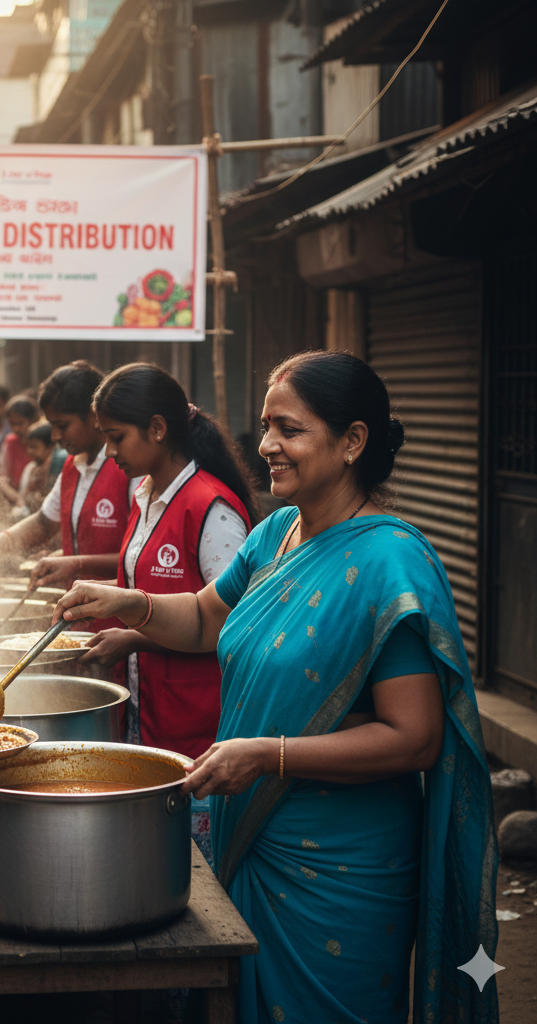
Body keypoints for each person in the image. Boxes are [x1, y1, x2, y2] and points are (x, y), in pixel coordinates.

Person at [53, 351, 498, 1024]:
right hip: (254, 839)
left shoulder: (389, 563)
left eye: (288, 429)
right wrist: (128, 602)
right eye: (265, 427)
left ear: (352, 442)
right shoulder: (274, 535)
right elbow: (205, 616)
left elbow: (415, 738)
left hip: (342, 868)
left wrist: (268, 754)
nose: (266, 446)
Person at [82, 364, 258, 863]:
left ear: (158, 429)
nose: (110, 453)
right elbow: (146, 589)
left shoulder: (212, 510)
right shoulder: (145, 496)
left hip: (199, 722)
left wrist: (135, 637)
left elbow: (231, 624)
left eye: (116, 438)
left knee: (194, 873)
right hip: (147, 709)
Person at [0, 362, 137, 614]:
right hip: (80, 615)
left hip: (122, 620)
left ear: (94, 416)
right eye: (52, 425)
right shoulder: (72, 463)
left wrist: (75, 563)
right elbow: (45, 522)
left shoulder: (130, 468)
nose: (55, 435)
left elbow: (140, 560)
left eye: (63, 425)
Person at [0, 394, 40, 506]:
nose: (16, 428)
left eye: (20, 423)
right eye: (12, 424)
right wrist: (17, 498)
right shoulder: (11, 442)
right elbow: (3, 478)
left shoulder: (44, 440)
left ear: (33, 420)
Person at [18, 419, 66, 514]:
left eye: (35, 447)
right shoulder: (33, 469)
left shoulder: (60, 462)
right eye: (28, 447)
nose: (29, 452)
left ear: (51, 447)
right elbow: (26, 498)